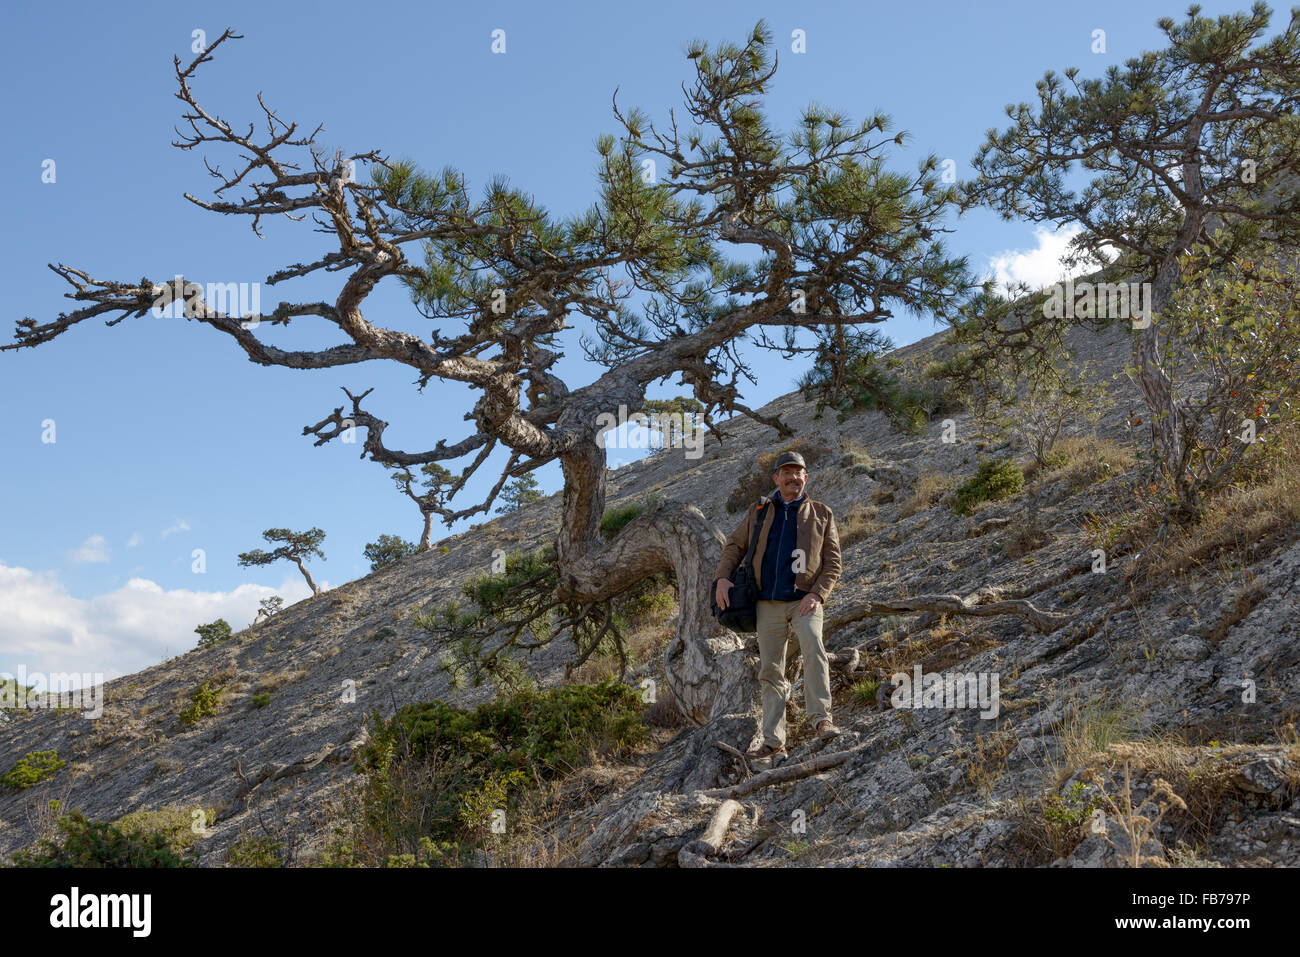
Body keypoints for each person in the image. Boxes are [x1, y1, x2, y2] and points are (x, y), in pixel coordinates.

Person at [714, 450, 842, 763]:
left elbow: (833, 563)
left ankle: (821, 720)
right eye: (787, 473)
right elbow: (735, 546)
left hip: (804, 601)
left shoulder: (822, 514)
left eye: (798, 473)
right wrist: (722, 579)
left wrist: (817, 594)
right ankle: (774, 742)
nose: (793, 478)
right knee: (770, 670)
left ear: (805, 478)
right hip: (767, 604)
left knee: (814, 648)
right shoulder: (759, 511)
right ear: (777, 479)